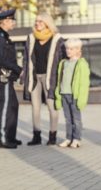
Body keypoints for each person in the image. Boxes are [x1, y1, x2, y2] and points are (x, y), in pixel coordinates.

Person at [21, 13, 65, 146]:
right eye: (36, 21)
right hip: (34, 77)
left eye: (40, 21)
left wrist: (61, 79)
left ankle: (52, 136)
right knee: (35, 107)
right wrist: (24, 73)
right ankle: (36, 136)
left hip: (50, 78)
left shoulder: (57, 39)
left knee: (52, 107)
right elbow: (26, 58)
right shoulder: (31, 38)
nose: (37, 24)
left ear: (47, 23)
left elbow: (62, 60)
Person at [0, 8, 22, 149]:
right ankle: (1, 139)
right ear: (6, 21)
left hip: (8, 77)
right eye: (12, 20)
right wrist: (19, 69)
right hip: (3, 77)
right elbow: (0, 59)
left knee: (13, 106)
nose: (14, 23)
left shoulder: (3, 37)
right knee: (5, 107)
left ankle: (10, 136)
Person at [54, 38, 90, 148]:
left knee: (76, 119)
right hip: (64, 94)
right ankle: (68, 138)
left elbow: (84, 83)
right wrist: (58, 95)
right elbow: (59, 80)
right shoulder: (63, 63)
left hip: (75, 96)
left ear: (78, 50)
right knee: (68, 119)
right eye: (67, 48)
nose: (68, 51)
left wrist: (81, 99)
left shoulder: (81, 64)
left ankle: (77, 138)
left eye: (71, 49)